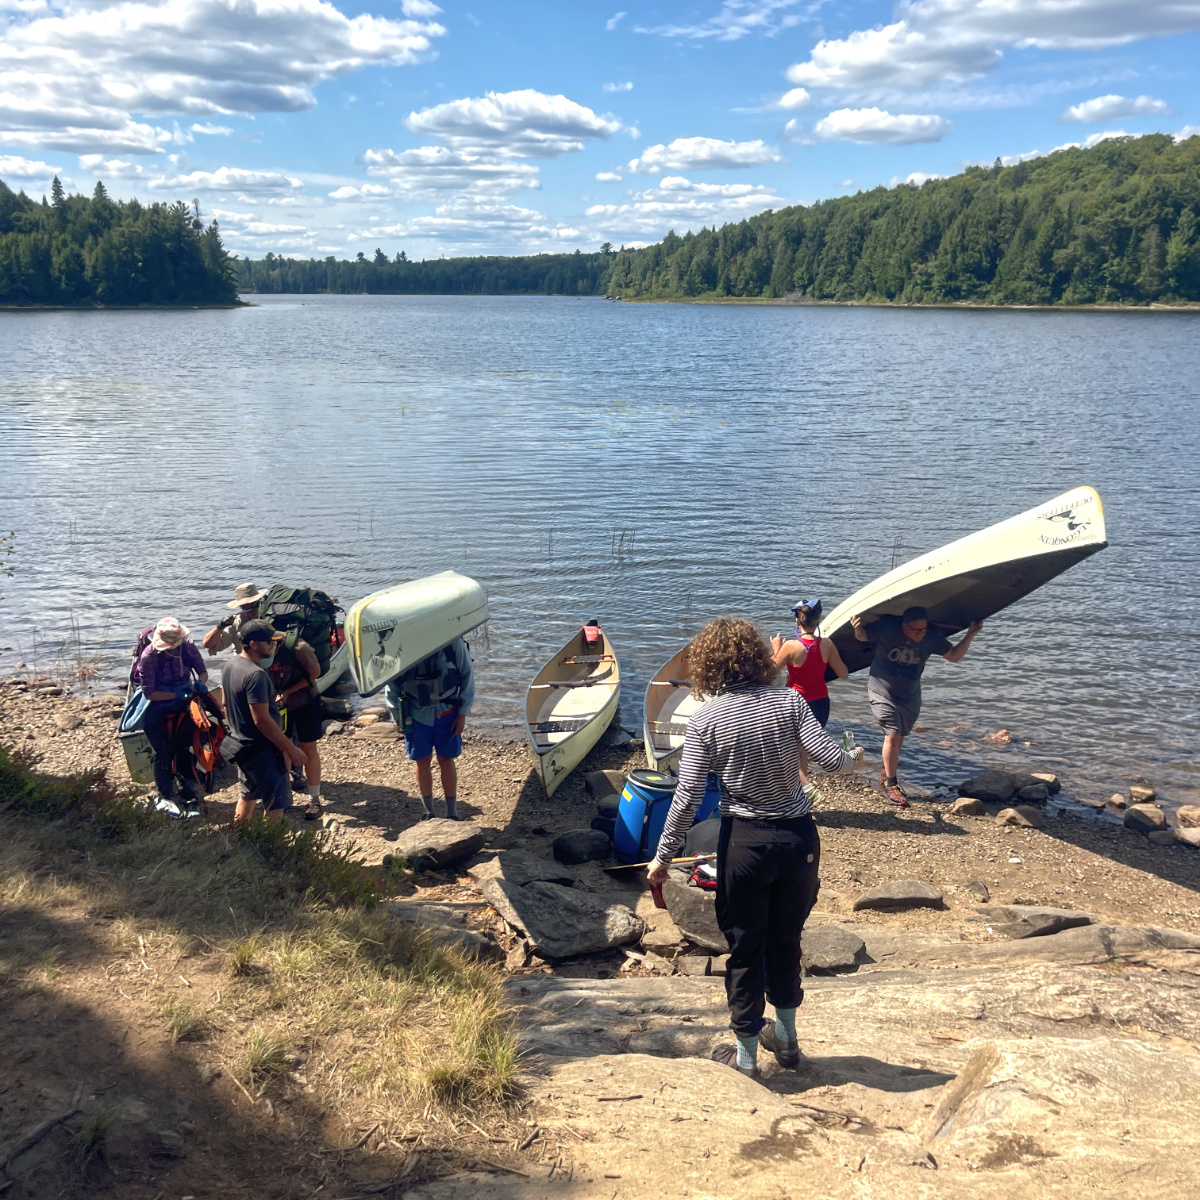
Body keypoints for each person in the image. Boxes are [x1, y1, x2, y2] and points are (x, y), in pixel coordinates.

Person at [646, 617, 863, 1079]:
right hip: (798, 840)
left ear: (708, 665)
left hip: (745, 842)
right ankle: (786, 1038)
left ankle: (746, 1058)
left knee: (745, 948)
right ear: (758, 658)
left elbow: (687, 798)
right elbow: (832, 761)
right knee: (786, 939)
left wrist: (662, 858)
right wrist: (856, 758)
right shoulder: (790, 701)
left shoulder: (705, 718)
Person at [851, 606, 983, 808]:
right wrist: (857, 628)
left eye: (923, 629)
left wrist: (970, 635)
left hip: (909, 696)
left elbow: (953, 656)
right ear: (904, 626)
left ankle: (886, 771)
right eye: (915, 630)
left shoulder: (932, 636)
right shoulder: (888, 628)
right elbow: (863, 637)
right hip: (881, 691)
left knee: (900, 737)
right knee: (892, 734)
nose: (920, 633)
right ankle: (891, 785)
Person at [220, 619, 308, 824]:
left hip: (241, 746)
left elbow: (225, 703)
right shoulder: (256, 675)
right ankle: (270, 843)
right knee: (276, 805)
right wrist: (290, 748)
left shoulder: (231, 664)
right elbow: (261, 720)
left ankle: (238, 837)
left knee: (248, 795)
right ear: (253, 644)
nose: (274, 645)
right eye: (269, 641)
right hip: (263, 751)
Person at [384, 637, 474, 821]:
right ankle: (429, 813)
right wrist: (397, 716)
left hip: (448, 713)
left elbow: (467, 675)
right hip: (415, 714)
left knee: (446, 759)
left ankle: (452, 813)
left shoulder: (453, 642)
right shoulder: (400, 643)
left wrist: (463, 713)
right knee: (422, 761)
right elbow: (391, 683)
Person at [771, 598, 850, 798]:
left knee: (791, 751)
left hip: (797, 703)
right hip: (821, 704)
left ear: (797, 621)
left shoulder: (790, 646)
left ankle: (806, 790)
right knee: (802, 750)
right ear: (818, 620)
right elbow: (843, 674)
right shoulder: (827, 644)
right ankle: (801, 793)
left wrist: (776, 650)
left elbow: (768, 672)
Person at [137, 617, 209, 812]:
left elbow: (202, 671)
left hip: (184, 701)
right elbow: (149, 693)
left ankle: (188, 788)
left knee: (184, 747)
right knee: (162, 751)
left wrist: (199, 684)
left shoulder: (187, 646)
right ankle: (164, 795)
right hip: (156, 704)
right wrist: (175, 695)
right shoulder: (149, 656)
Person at [268, 634, 325, 820]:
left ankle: (314, 799)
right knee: (282, 748)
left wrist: (288, 692)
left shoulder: (299, 648)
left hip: (306, 701)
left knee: (309, 748)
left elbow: (315, 672)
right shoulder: (258, 650)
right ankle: (284, 797)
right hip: (279, 705)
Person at [202, 582, 268, 656]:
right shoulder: (236, 622)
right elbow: (208, 644)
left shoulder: (269, 617)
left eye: (253, 603)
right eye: (245, 606)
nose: (251, 609)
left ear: (259, 601)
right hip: (243, 661)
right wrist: (220, 626)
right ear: (241, 606)